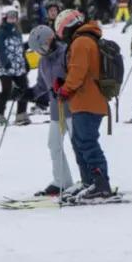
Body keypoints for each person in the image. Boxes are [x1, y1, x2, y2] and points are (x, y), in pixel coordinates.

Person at [56, 20, 114, 200]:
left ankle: (101, 183)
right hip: (86, 100)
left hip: (88, 101)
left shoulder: (81, 42)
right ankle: (89, 181)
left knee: (87, 143)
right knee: (80, 142)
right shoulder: (87, 39)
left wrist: (65, 89)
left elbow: (77, 71)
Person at [29, 25, 74, 197]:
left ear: (49, 41)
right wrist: (27, 93)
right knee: (54, 144)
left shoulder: (66, 54)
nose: (39, 53)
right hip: (56, 110)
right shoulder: (43, 61)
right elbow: (42, 86)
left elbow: (75, 78)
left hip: (72, 107)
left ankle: (90, 180)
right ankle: (61, 181)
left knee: (78, 144)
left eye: (40, 49)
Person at [0, 7, 30, 126]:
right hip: (6, 68)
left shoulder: (17, 31)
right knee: (6, 91)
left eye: (14, 16)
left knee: (24, 88)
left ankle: (21, 114)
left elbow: (20, 48)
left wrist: (25, 62)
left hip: (18, 67)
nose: (13, 18)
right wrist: (5, 62)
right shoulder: (0, 32)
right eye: (10, 16)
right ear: (4, 17)